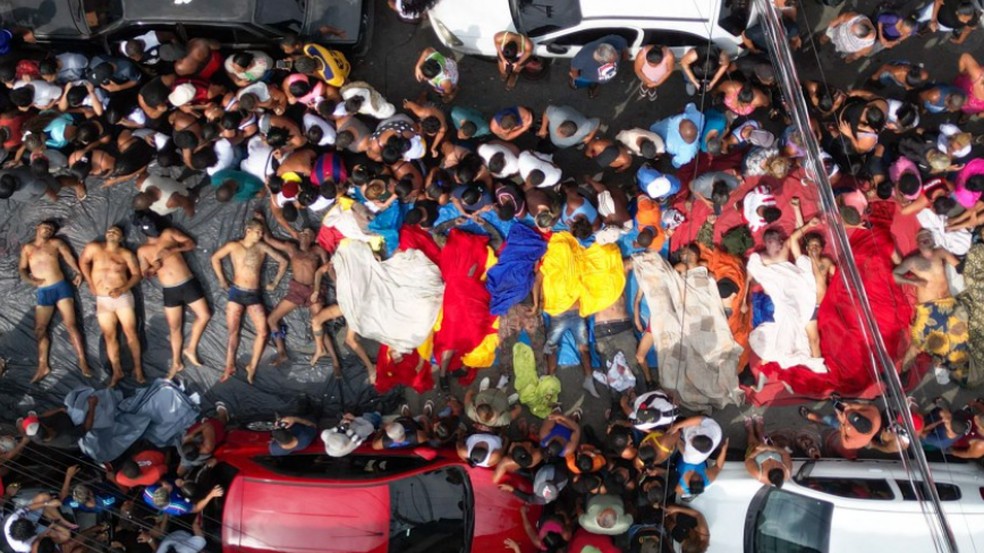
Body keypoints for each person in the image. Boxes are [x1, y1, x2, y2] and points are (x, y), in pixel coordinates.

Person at [210, 220, 289, 384]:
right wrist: (222, 279)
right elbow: (215, 258)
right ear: (248, 230)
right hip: (236, 292)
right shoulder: (233, 246)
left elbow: (283, 261)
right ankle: (229, 365)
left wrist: (275, 283)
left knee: (263, 332)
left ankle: (252, 366)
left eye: (262, 232)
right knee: (233, 332)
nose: (261, 235)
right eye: (258, 232)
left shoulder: (262, 247)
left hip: (254, 294)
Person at [134, 213, 211, 379]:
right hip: (170, 290)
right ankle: (177, 361)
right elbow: (144, 273)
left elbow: (191, 244)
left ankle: (190, 349)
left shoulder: (168, 233)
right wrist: (154, 268)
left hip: (187, 282)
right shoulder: (142, 250)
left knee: (204, 315)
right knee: (174, 328)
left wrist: (173, 249)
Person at [18, 221, 90, 383]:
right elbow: (22, 269)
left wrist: (78, 271)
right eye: (45, 227)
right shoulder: (27, 248)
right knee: (39, 329)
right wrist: (29, 279)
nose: (48, 230)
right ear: (37, 228)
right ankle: (43, 365)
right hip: (43, 292)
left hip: (61, 287)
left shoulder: (56, 243)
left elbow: (69, 257)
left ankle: (82, 360)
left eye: (51, 229)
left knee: (71, 324)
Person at [894, 229, 969, 382]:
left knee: (960, 337)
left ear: (933, 240)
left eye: (928, 236)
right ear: (917, 242)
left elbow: (959, 267)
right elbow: (894, 275)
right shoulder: (913, 261)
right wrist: (913, 281)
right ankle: (903, 373)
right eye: (922, 237)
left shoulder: (940, 252)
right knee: (917, 345)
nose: (925, 238)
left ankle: (948, 364)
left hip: (949, 304)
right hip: (928, 309)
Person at [255, 214, 328, 367]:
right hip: (296, 291)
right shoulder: (291, 248)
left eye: (308, 233)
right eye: (303, 232)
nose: (304, 234)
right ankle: (281, 352)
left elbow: (327, 268)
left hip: (313, 290)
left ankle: (332, 359)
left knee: (319, 321)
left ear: (314, 238)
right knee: (271, 320)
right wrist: (262, 220)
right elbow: (269, 240)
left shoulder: (317, 250)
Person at [79, 226, 144, 388]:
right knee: (109, 335)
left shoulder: (126, 254)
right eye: (110, 230)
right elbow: (83, 262)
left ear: (121, 238)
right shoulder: (94, 247)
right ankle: (117, 371)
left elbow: (137, 274)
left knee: (130, 332)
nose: (112, 232)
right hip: (102, 299)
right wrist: (90, 282)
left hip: (122, 297)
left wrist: (123, 288)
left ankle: (138, 368)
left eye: (116, 231)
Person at [801, 398, 881, 455]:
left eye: (850, 419)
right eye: (853, 415)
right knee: (840, 405)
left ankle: (811, 416)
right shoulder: (875, 415)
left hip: (842, 425)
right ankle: (836, 400)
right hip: (846, 419)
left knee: (828, 419)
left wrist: (842, 423)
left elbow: (845, 442)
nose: (847, 414)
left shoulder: (857, 442)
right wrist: (850, 406)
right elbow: (865, 407)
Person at [743, 415, 791, 487]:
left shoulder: (759, 474)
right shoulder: (787, 471)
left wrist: (758, 450)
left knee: (752, 442)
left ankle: (750, 430)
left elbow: (748, 460)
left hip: (755, 454)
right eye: (777, 466)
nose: (773, 465)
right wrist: (768, 447)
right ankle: (759, 428)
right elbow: (784, 453)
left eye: (771, 468)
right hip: (771, 449)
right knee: (763, 437)